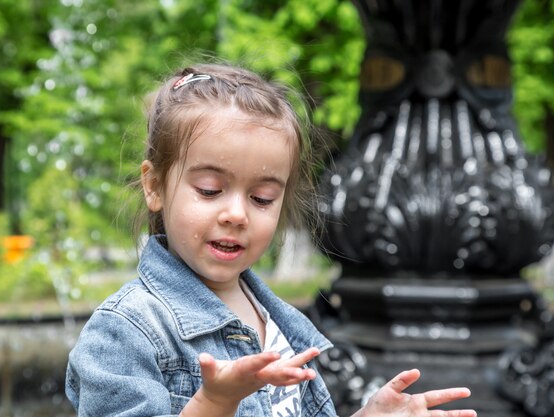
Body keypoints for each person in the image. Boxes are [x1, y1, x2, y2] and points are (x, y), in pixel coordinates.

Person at [65, 63, 477, 417]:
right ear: (154, 186)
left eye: (262, 198)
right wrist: (213, 403)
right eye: (209, 190)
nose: (237, 214)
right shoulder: (126, 330)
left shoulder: (278, 320)